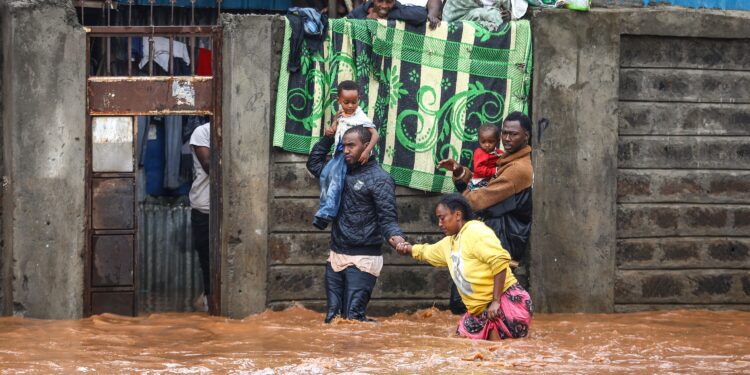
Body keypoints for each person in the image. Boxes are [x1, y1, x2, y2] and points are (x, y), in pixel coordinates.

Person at [395, 194, 532, 340]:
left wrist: (496, 301)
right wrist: (407, 248)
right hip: (478, 311)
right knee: (460, 343)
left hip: (504, 303)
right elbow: (427, 251)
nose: (440, 224)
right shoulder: (449, 242)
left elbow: (499, 261)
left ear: (458, 215)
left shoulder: (476, 231)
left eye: (442, 218)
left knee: (496, 353)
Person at [307, 125, 406, 323]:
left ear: (367, 146)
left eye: (351, 146)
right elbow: (314, 164)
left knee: (353, 318)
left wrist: (398, 240)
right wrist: (327, 138)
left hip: (364, 258)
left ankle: (377, 347)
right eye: (343, 146)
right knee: (333, 318)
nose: (346, 151)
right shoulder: (338, 170)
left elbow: (388, 219)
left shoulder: (380, 179)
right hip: (336, 255)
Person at [438, 111, 532, 261]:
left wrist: (457, 203)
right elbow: (485, 183)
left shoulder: (517, 169)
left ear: (526, 136)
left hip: (503, 239)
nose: (507, 139)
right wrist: (459, 171)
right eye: (504, 133)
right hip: (494, 236)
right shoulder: (505, 159)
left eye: (513, 134)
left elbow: (479, 200)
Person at [313, 80, 380, 230]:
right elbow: (336, 126)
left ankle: (326, 214)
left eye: (354, 102)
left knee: (336, 180)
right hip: (338, 152)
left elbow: (375, 135)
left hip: (349, 155)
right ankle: (324, 207)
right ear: (339, 101)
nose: (350, 106)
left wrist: (366, 150)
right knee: (325, 176)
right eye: (346, 102)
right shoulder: (341, 115)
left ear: (359, 100)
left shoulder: (360, 117)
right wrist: (331, 128)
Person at [189, 122, 211, 312]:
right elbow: (209, 166)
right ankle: (209, 301)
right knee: (207, 261)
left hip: (227, 206)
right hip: (204, 208)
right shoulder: (202, 132)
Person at [468, 123, 503, 191]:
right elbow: (478, 169)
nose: (487, 145)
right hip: (480, 181)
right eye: (483, 142)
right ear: (479, 141)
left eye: (491, 142)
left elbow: (504, 160)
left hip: (492, 179)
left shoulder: (499, 153)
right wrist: (495, 170)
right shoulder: (479, 153)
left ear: (497, 141)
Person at [348, 0, 430, 27]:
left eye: (389, 2)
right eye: (380, 1)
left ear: (394, 1)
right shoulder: (364, 9)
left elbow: (422, 15)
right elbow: (346, 22)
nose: (384, 5)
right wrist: (366, 19)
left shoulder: (398, 8)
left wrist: (390, 15)